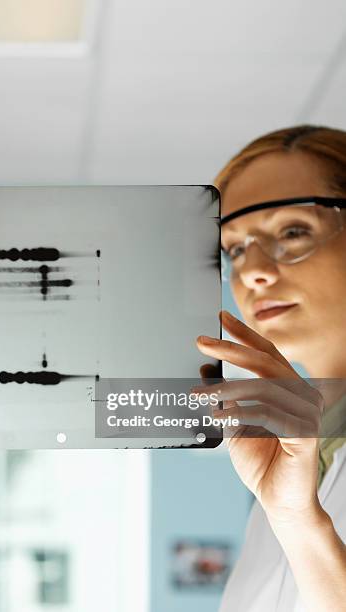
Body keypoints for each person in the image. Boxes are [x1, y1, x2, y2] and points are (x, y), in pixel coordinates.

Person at [196, 125, 346, 611]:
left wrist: (301, 520)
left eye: (293, 230)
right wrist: (290, 512)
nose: (252, 270)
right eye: (235, 248)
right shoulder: (289, 455)